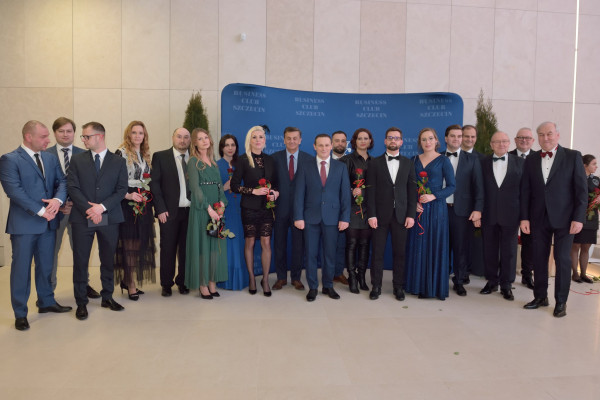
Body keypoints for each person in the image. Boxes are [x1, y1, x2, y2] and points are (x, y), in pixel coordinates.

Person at [0, 120, 71, 331]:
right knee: (21, 270)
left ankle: (46, 301)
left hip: (48, 225)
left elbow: (63, 182)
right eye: (43, 136)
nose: (48, 140)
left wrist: (57, 201)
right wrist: (42, 211)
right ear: (28, 137)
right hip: (24, 225)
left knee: (46, 266)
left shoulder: (50, 158)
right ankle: (20, 313)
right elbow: (14, 191)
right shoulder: (9, 159)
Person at [521, 121, 587, 318]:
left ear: (557, 135)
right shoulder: (531, 159)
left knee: (562, 259)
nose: (545, 138)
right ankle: (540, 297)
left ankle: (561, 302)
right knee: (539, 259)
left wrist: (578, 218)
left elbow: (581, 191)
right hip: (538, 218)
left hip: (566, 219)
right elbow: (525, 191)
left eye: (549, 133)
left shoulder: (573, 156)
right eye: (541, 135)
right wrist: (524, 218)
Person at [68, 121, 128, 320]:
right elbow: (72, 188)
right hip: (82, 217)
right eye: (83, 137)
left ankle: (107, 297)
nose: (83, 140)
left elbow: (121, 189)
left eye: (87, 136)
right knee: (80, 261)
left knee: (108, 259)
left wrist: (101, 208)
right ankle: (81, 302)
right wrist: (90, 209)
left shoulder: (118, 161)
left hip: (109, 217)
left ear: (100, 136)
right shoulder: (77, 160)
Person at [45, 117, 100, 298]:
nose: (65, 134)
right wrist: (58, 203)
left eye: (69, 131)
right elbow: (43, 185)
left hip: (79, 211)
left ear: (74, 133)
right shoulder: (45, 154)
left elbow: (91, 184)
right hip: (54, 213)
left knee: (81, 251)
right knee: (51, 252)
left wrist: (75, 204)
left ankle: (84, 286)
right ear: (54, 133)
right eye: (61, 131)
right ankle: (48, 291)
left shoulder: (85, 154)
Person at [294, 134, 350, 302]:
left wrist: (345, 218)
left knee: (330, 254)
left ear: (331, 146)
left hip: (333, 218)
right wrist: (298, 216)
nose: (324, 148)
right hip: (310, 218)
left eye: (327, 145)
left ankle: (328, 285)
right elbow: (299, 193)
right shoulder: (305, 166)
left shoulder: (341, 167)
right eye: (320, 145)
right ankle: (313, 287)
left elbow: (345, 195)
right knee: (311, 254)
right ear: (314, 146)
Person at [404, 128, 454, 300]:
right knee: (418, 246)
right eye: (424, 139)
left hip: (437, 209)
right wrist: (414, 202)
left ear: (436, 141)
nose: (427, 142)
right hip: (418, 210)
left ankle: (432, 287)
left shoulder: (444, 160)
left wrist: (434, 196)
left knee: (434, 245)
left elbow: (452, 186)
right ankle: (416, 285)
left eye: (430, 138)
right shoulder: (413, 160)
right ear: (420, 142)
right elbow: (409, 185)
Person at [231, 126, 279, 296]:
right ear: (249, 140)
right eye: (254, 137)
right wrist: (253, 191)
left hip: (267, 208)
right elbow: (234, 185)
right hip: (249, 208)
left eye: (261, 137)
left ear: (265, 141)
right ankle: (252, 278)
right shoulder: (243, 160)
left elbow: (276, 184)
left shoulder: (271, 160)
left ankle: (265, 280)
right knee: (250, 242)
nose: (258, 140)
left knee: (266, 242)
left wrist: (275, 193)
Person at [113, 121, 157, 300]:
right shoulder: (120, 153)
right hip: (127, 201)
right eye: (134, 132)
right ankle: (130, 283)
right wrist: (128, 195)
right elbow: (113, 181)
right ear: (128, 135)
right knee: (129, 244)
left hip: (143, 202)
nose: (138, 136)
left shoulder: (145, 154)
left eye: (141, 133)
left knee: (140, 243)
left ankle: (127, 279)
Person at [479, 131, 524, 301]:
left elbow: (525, 191)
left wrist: (524, 215)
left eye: (504, 141)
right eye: (497, 142)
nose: (501, 144)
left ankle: (506, 285)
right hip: (488, 213)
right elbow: (478, 189)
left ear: (509, 143)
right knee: (489, 249)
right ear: (491, 145)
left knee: (509, 251)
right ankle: (492, 281)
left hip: (512, 214)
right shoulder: (482, 162)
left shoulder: (520, 163)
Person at [185, 128, 228, 298]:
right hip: (202, 210)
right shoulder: (193, 162)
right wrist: (209, 209)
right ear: (195, 143)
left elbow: (220, 186)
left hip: (216, 210)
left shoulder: (213, 161)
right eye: (200, 139)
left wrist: (222, 205)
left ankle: (212, 282)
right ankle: (202, 284)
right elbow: (195, 189)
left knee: (214, 247)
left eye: (206, 138)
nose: (204, 141)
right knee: (202, 247)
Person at [150, 127, 192, 296]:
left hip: (191, 212)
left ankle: (183, 281)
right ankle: (166, 283)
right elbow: (155, 185)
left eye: (186, 137)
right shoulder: (160, 157)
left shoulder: (194, 158)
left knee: (186, 249)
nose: (182, 140)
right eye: (179, 136)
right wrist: (160, 209)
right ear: (173, 138)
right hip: (168, 212)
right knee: (168, 248)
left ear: (190, 140)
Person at [444, 124, 484, 296]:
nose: (456, 139)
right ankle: (440, 278)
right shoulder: (437, 157)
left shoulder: (472, 159)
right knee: (442, 247)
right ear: (446, 138)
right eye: (453, 136)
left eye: (459, 136)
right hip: (440, 210)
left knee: (461, 248)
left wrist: (478, 209)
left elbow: (479, 187)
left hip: (462, 212)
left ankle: (459, 281)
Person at [271, 127, 311, 291]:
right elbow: (270, 183)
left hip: (300, 212)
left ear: (300, 140)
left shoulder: (309, 159)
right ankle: (281, 277)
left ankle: (296, 278)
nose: (292, 141)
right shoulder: (274, 158)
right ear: (284, 140)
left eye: (295, 138)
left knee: (298, 246)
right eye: (289, 138)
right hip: (280, 209)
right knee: (279, 245)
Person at [340, 128, 373, 293]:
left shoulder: (375, 161)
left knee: (365, 244)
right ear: (354, 141)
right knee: (352, 243)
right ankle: (352, 277)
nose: (363, 141)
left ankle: (362, 277)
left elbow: (378, 186)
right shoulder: (346, 160)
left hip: (369, 208)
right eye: (360, 138)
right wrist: (352, 190)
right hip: (352, 207)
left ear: (370, 141)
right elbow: (340, 185)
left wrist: (365, 191)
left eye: (366, 138)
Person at [216, 134, 248, 290]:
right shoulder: (216, 165)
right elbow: (210, 190)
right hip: (224, 209)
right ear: (221, 147)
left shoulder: (241, 164)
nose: (230, 148)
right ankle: (224, 279)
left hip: (241, 208)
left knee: (240, 242)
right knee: (227, 243)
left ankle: (240, 279)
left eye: (233, 145)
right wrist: (224, 187)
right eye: (226, 145)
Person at [509, 127, 535, 289]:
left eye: (527, 138)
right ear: (515, 140)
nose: (524, 140)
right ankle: (507, 275)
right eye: (521, 137)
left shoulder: (539, 158)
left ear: (533, 141)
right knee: (508, 243)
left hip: (531, 208)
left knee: (529, 243)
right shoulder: (506, 156)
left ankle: (527, 275)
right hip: (509, 206)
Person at [570, 154, 598, 284]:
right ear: (585, 165)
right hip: (578, 216)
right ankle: (575, 273)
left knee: (586, 246)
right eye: (593, 164)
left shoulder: (596, 180)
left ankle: (584, 274)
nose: (596, 166)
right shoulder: (575, 177)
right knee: (575, 245)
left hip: (592, 217)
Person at [330, 130, 348, 284]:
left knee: (341, 244)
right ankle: (328, 273)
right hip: (325, 210)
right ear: (331, 143)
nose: (340, 144)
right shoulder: (322, 160)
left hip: (344, 210)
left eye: (343, 141)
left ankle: (338, 272)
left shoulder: (351, 162)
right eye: (337, 141)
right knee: (326, 245)